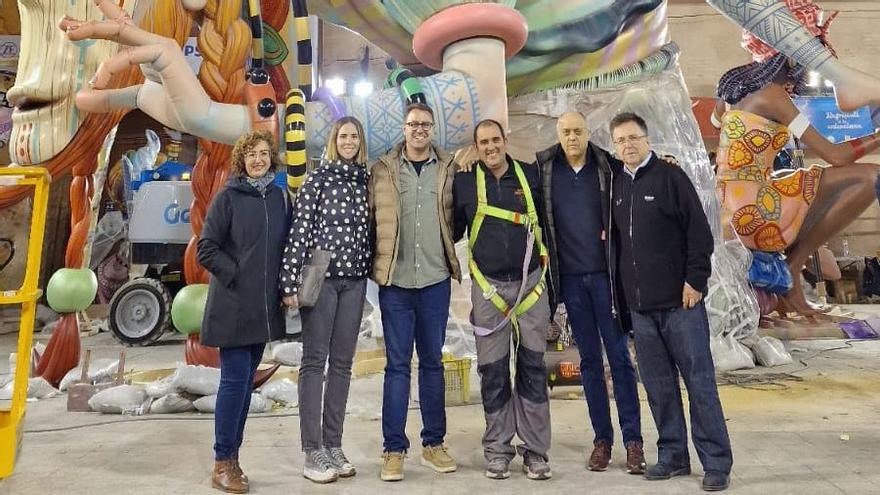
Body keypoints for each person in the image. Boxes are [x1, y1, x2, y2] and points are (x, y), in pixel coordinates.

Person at [712, 0, 880, 317]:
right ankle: (795, 265)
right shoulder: (774, 97)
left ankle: (790, 275)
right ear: (792, 53)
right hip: (758, 207)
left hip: (733, 202)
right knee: (871, 178)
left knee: (808, 181)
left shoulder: (730, 89)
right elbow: (836, 155)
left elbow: (717, 123)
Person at [609, 112, 732, 492]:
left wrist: (695, 281)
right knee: (659, 386)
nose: (628, 145)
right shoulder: (617, 185)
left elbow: (700, 234)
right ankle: (673, 456)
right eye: (621, 140)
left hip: (682, 304)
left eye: (634, 138)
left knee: (699, 383)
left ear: (647, 140)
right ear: (615, 147)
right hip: (641, 309)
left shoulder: (670, 177)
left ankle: (715, 463)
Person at [534, 111, 644, 474]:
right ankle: (603, 440)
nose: (572, 138)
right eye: (566, 132)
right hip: (572, 282)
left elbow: (635, 180)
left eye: (578, 131)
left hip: (605, 281)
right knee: (590, 363)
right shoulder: (546, 169)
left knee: (620, 359)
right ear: (558, 134)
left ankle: (633, 441)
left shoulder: (606, 167)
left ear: (587, 133)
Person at [453, 119, 552, 481]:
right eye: (483, 142)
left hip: (531, 288)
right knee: (493, 371)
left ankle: (536, 451)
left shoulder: (530, 176)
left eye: (496, 140)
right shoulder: (465, 182)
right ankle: (497, 449)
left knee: (532, 368)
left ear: (505, 141)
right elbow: (449, 229)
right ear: (475, 147)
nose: (491, 147)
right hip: (489, 288)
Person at [369, 102, 462, 482]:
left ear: (432, 128)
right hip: (396, 283)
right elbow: (371, 217)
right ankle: (393, 449)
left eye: (425, 124)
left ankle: (433, 443)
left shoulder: (448, 169)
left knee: (433, 364)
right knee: (396, 367)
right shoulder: (383, 170)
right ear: (403, 128)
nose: (419, 129)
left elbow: (457, 217)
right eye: (413, 124)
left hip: (435, 281)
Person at [279, 117, 372, 483]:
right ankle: (312, 450)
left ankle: (334, 444)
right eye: (343, 135)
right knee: (315, 362)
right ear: (334, 140)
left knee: (344, 365)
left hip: (355, 281)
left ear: (360, 142)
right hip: (321, 279)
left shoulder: (364, 181)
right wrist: (289, 284)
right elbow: (299, 231)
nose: (349, 141)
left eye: (354, 136)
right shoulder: (317, 180)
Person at [198, 130, 289, 494]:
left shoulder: (279, 198)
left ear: (272, 158)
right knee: (234, 385)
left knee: (244, 388)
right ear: (241, 159)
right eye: (251, 154)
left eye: (264, 154)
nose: (258, 160)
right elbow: (206, 248)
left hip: (262, 310)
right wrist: (237, 274)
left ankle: (233, 458)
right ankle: (222, 460)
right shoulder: (228, 198)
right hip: (234, 307)